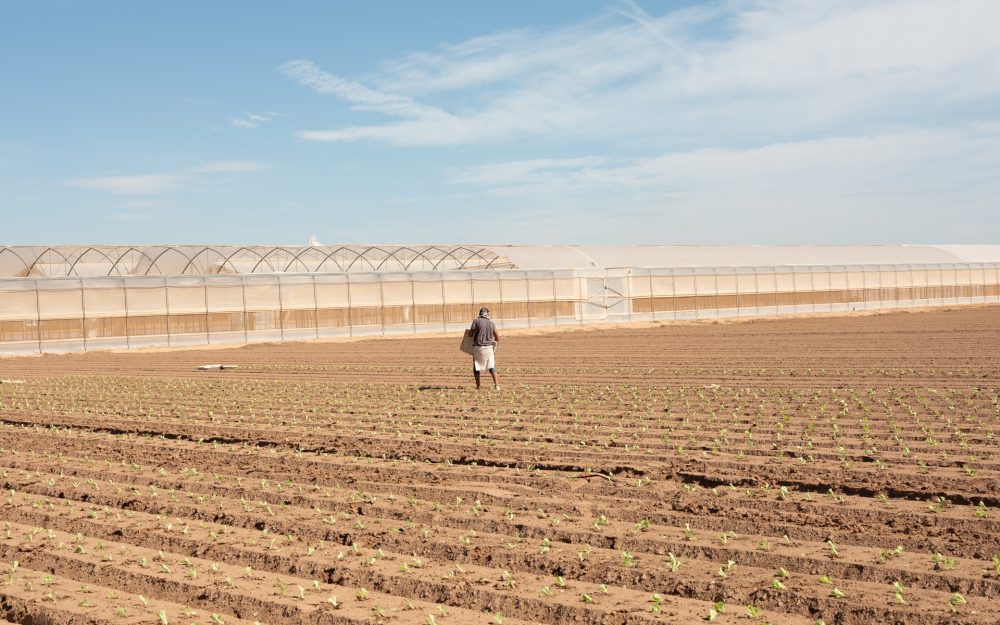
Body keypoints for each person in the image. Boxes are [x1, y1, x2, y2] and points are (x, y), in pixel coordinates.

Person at [466, 307, 500, 390]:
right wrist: (494, 348)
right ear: (487, 314)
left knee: (476, 367)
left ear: (480, 313)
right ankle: (497, 385)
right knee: (491, 367)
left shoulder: (476, 321)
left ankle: (478, 386)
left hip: (478, 348)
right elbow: (497, 337)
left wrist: (471, 333)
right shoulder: (491, 323)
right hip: (489, 348)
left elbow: (470, 334)